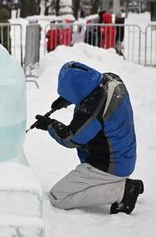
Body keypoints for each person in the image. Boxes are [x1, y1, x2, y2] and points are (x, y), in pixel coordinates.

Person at [30, 61, 143, 214]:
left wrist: (49, 124)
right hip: (125, 156)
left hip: (109, 166)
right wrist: (70, 98)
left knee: (58, 196)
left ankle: (122, 191)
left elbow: (71, 138)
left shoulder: (92, 111)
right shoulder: (112, 79)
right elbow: (95, 99)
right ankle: (116, 184)